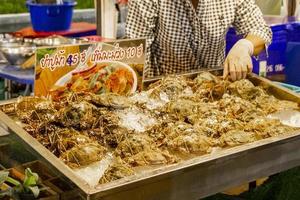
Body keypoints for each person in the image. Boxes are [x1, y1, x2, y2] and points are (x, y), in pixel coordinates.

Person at [126, 0, 272, 81]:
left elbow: (260, 29)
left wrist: (245, 46)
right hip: (164, 89)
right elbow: (136, 51)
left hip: (216, 90)